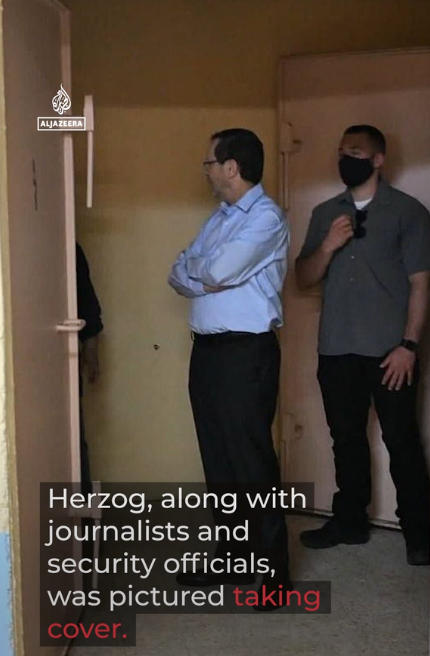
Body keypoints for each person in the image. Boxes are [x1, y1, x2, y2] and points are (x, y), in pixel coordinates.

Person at [295, 125, 430, 565]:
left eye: (354, 152)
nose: (344, 159)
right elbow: (303, 278)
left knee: (402, 440)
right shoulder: (325, 213)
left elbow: (421, 283)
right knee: (346, 440)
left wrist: (409, 345)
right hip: (337, 348)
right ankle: (349, 521)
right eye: (341, 152)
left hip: (391, 351)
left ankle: (419, 533)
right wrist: (329, 246)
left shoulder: (408, 212)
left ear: (377, 160)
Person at [168, 128, 290, 609]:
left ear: (231, 168)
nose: (206, 171)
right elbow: (178, 272)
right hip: (207, 353)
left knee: (252, 463)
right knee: (218, 461)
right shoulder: (219, 218)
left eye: (209, 163)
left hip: (246, 354)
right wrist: (204, 270)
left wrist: (202, 269)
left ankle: (275, 575)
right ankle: (234, 559)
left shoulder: (266, 217)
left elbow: (215, 270)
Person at [76, 242, 103, 494]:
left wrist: (92, 352)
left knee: (72, 434)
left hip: (61, 357)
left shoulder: (67, 249)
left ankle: (80, 507)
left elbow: (87, 304)